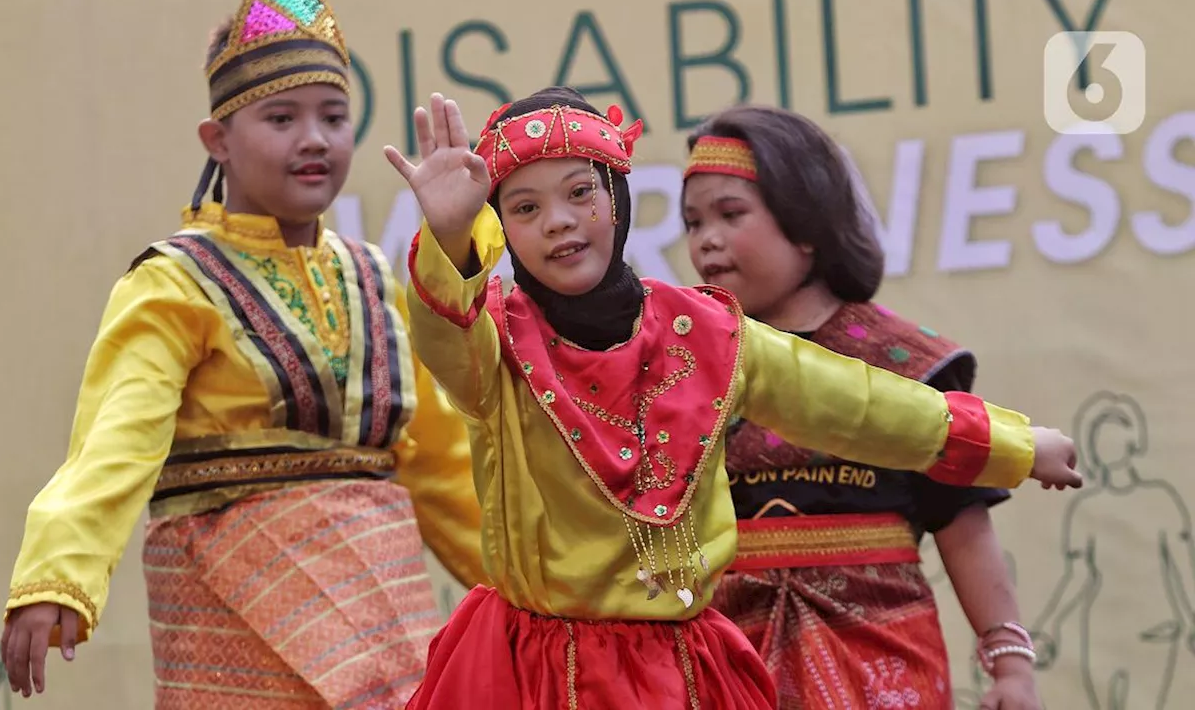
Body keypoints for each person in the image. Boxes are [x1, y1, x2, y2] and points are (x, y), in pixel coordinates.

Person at [381, 86, 1081, 709]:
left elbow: (859, 405)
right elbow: (444, 340)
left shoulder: (705, 331)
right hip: (537, 675)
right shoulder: (494, 345)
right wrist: (447, 237)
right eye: (525, 207)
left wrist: (1017, 447)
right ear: (499, 226)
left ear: (618, 199)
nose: (558, 221)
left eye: (580, 192)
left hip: (684, 670)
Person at [0, 0, 485, 707]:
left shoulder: (375, 278)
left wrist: (538, 588)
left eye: (334, 116)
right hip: (229, 624)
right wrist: (56, 574)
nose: (314, 139)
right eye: (282, 118)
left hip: (388, 628)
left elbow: (445, 472)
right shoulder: (175, 284)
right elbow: (115, 442)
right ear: (216, 139)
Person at [681, 104, 1043, 710]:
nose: (706, 239)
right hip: (730, 658)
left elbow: (961, 521)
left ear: (806, 225)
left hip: (882, 659)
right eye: (692, 223)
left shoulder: (906, 363)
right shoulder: (689, 366)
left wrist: (1011, 667)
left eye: (730, 214)